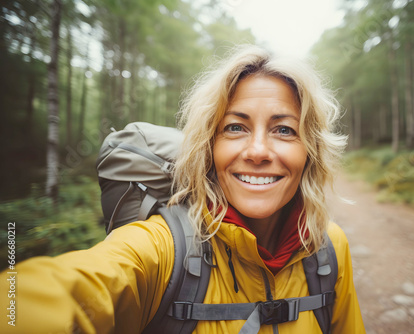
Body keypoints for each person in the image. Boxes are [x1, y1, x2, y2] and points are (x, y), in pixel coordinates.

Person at [0, 45, 365, 333]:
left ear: (310, 151)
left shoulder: (328, 247)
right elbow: (62, 293)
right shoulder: (160, 249)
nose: (257, 151)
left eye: (284, 130)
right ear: (208, 148)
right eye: (235, 128)